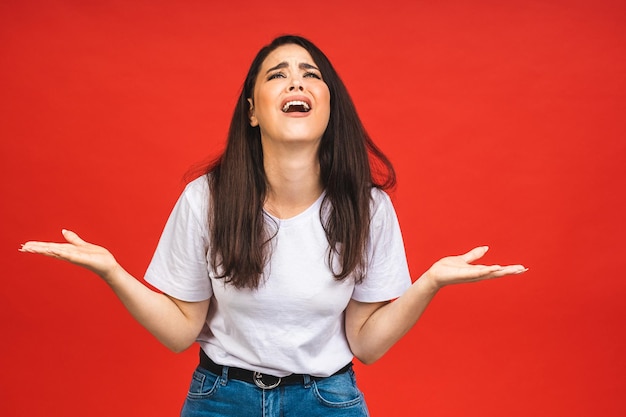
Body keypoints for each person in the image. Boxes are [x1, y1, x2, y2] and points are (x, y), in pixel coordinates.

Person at [20, 35, 527, 417]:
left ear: (328, 106)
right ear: (253, 112)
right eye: (277, 74)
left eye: (311, 74)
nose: (296, 82)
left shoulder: (366, 208)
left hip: (327, 399)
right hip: (222, 398)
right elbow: (180, 333)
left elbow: (367, 344)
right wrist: (112, 272)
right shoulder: (208, 199)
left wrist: (430, 283)